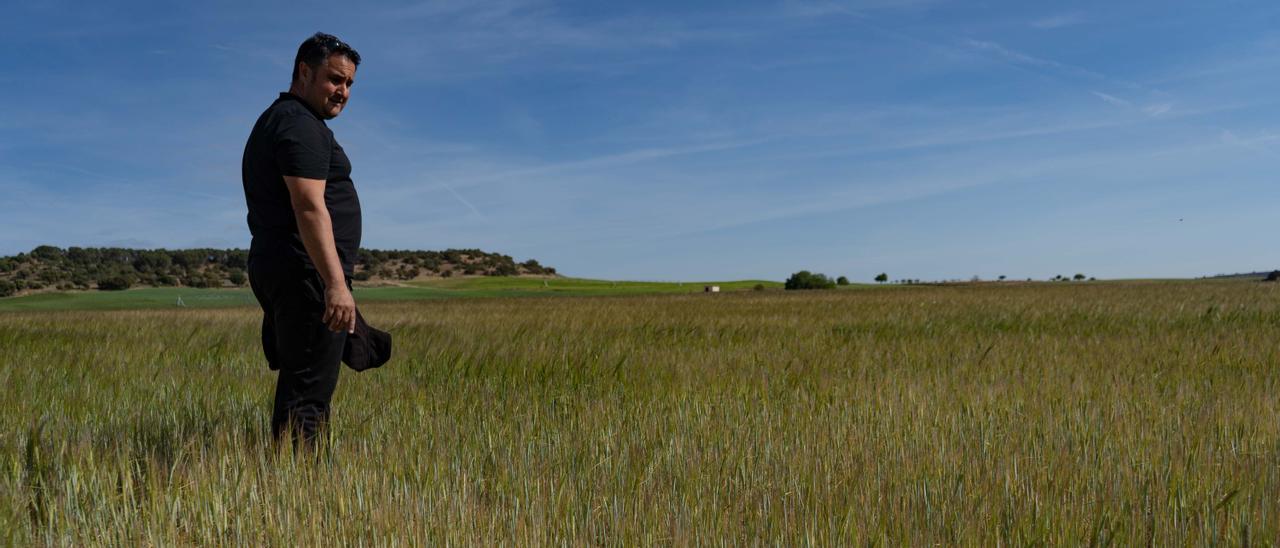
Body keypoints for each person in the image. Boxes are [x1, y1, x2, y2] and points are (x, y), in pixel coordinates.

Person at [241, 32, 368, 449]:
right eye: (334, 79)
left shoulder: (283, 120)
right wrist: (334, 284)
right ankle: (296, 491)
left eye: (349, 83)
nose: (343, 91)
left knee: (307, 379)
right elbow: (309, 206)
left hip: (289, 265)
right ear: (304, 72)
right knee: (307, 393)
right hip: (304, 271)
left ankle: (297, 482)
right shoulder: (299, 124)